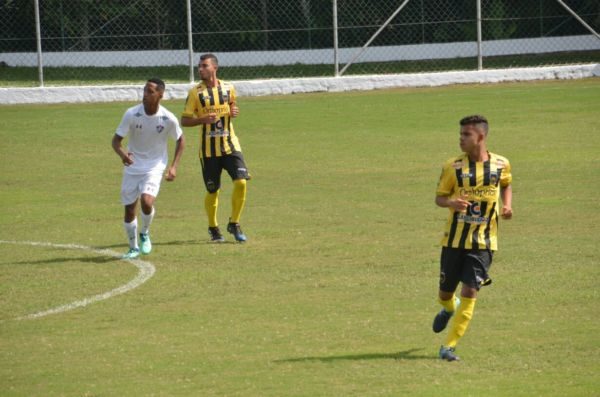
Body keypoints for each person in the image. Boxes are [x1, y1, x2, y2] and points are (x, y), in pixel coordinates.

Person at [432, 115, 513, 361]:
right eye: (460, 135)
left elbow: (506, 184)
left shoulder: (501, 164)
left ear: (481, 136)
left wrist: (507, 205)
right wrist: (452, 203)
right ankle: (449, 307)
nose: (461, 139)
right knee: (445, 293)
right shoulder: (452, 167)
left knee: (470, 290)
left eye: (466, 135)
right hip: (454, 241)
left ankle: (449, 347)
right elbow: (439, 198)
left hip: (484, 243)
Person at [112, 78, 185, 259]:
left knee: (146, 201)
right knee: (129, 209)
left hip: (154, 167)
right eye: (144, 90)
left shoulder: (167, 118)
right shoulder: (131, 114)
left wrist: (174, 167)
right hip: (133, 167)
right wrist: (123, 155)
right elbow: (116, 141)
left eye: (150, 92)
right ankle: (133, 247)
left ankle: (144, 232)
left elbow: (181, 140)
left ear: (160, 94)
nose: (145, 95)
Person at [181, 53, 250, 243]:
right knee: (213, 190)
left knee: (241, 182)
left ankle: (234, 223)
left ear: (214, 68)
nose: (200, 69)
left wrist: (234, 111)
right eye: (199, 66)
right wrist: (202, 119)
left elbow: (233, 106)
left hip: (230, 144)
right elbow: (184, 120)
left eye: (204, 66)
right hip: (208, 151)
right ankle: (213, 227)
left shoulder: (229, 88)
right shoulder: (196, 93)